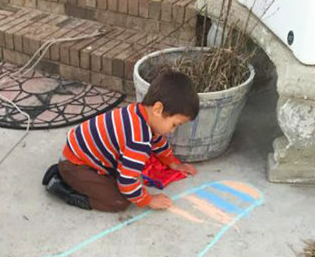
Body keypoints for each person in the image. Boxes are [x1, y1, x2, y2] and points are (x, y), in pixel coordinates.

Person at [42, 69, 199, 212]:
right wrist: (148, 200)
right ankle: (61, 186)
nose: (172, 130)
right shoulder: (139, 140)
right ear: (158, 109)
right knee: (118, 201)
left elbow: (159, 143)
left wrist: (173, 163)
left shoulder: (139, 112)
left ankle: (70, 175)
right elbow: (127, 183)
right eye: (174, 124)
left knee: (127, 177)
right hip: (77, 165)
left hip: (84, 156)